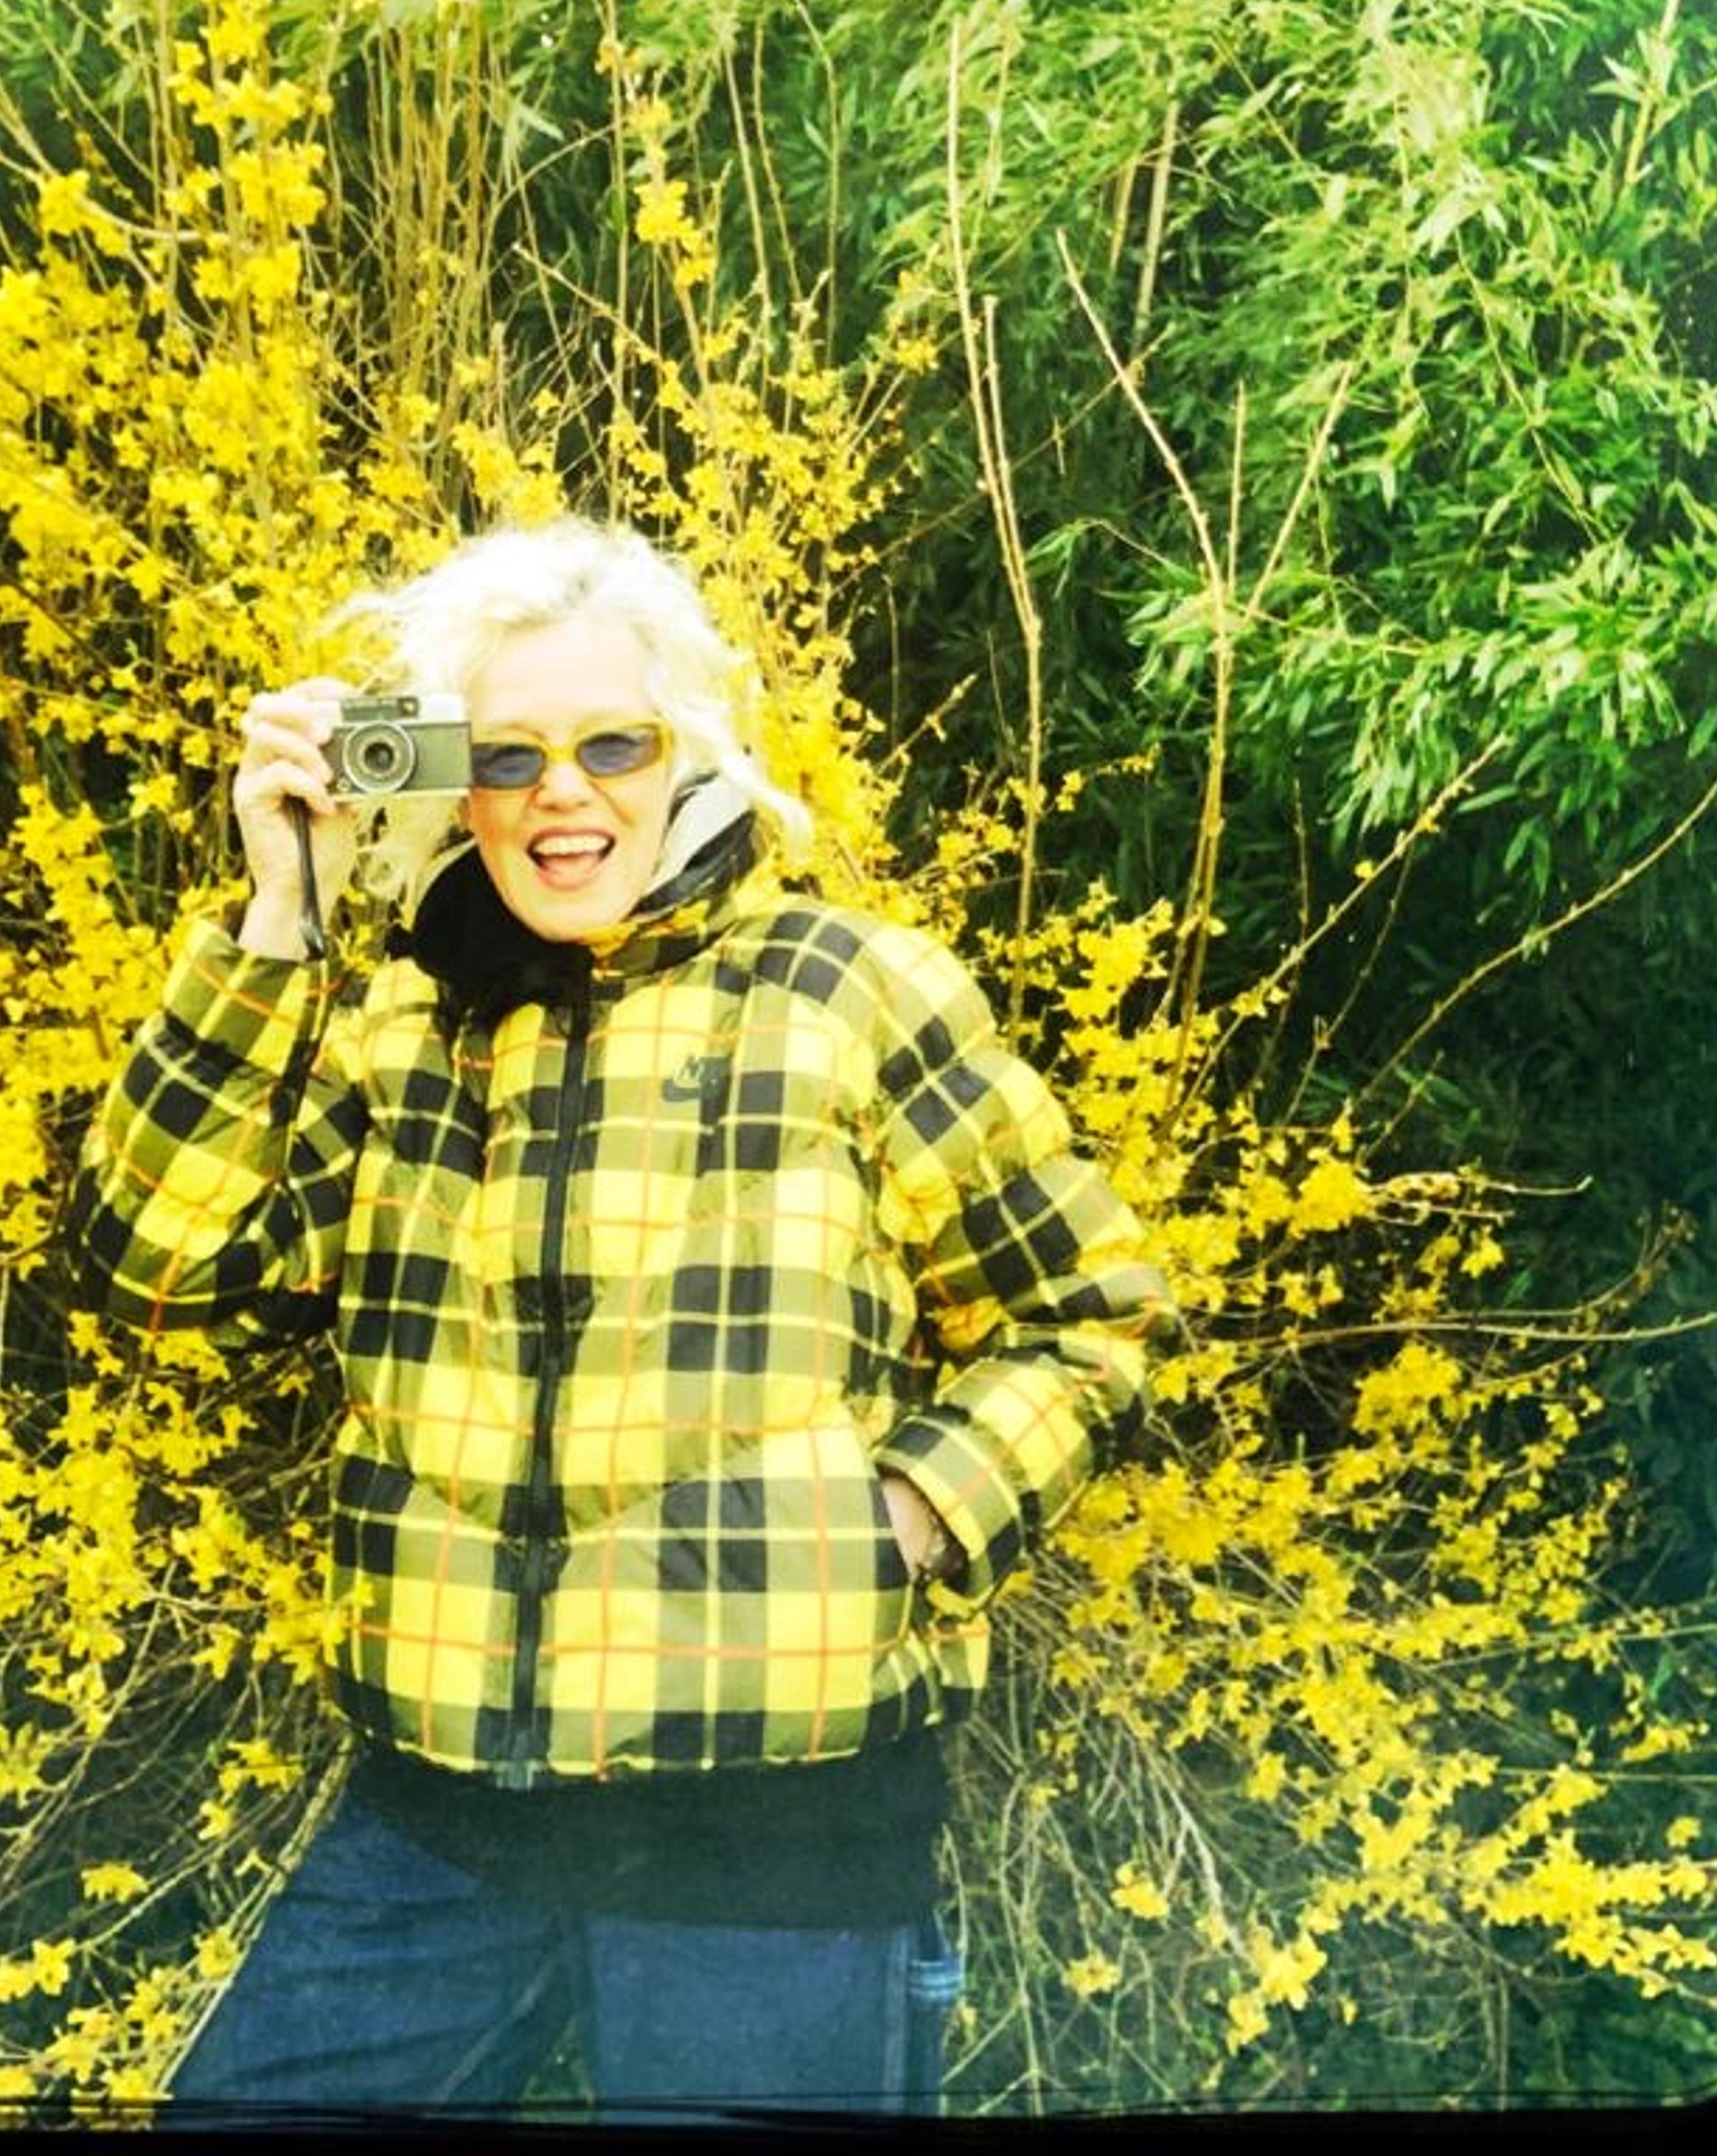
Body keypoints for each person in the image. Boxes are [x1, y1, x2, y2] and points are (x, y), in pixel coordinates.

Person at [65, 514, 1176, 2122]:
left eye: (612, 742)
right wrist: (276, 917)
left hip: (772, 1846)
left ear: (693, 756)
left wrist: (909, 1520)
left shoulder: (851, 990)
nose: (562, 792)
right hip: (444, 1819)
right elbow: (158, 1261)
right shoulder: (399, 1024)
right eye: (508, 757)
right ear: (448, 781)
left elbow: (1086, 1317)